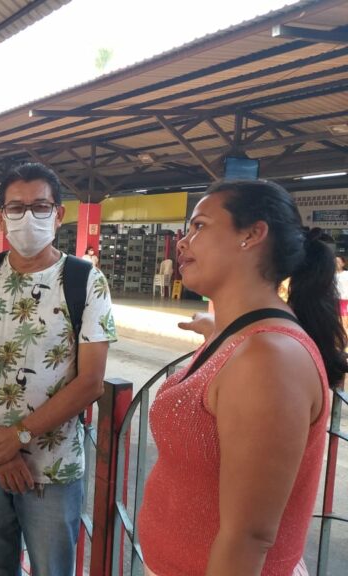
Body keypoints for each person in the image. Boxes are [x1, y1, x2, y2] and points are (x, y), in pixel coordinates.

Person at [138, 180, 347, 576]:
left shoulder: (268, 360)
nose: (183, 242)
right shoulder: (240, 338)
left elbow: (249, 538)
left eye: (199, 226)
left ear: (252, 234)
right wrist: (212, 327)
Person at [0, 163, 116, 576]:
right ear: (2, 215)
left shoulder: (86, 280)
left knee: (51, 569)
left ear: (58, 214)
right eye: (16, 208)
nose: (28, 217)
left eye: (40, 207)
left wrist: (18, 437)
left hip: (52, 466)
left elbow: (92, 381)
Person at [335, 255, 348, 335]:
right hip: (335, 301)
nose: (336, 264)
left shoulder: (346, 274)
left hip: (345, 302)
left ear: (343, 263)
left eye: (338, 262)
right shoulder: (331, 275)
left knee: (344, 324)